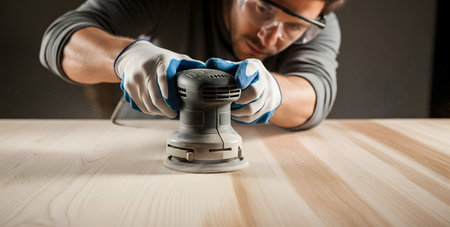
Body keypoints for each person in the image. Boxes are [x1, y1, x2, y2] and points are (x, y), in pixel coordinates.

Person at [40, 0, 345, 130]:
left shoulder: (317, 24)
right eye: (262, 8)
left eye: (293, 27)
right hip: (143, 136)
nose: (271, 37)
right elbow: (60, 38)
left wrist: (274, 94)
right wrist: (126, 57)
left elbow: (317, 90)